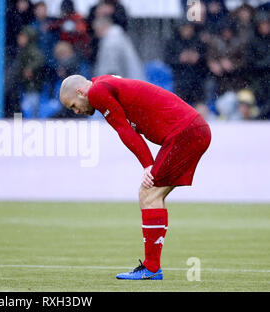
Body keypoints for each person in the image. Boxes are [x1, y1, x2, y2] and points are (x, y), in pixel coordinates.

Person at [59, 74, 211, 280]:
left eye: (73, 106)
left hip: (184, 132)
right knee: (150, 194)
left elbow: (124, 129)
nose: (76, 111)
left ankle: (151, 268)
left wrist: (148, 164)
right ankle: (152, 267)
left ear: (79, 92)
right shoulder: (100, 83)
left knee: (148, 194)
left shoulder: (96, 92)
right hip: (190, 129)